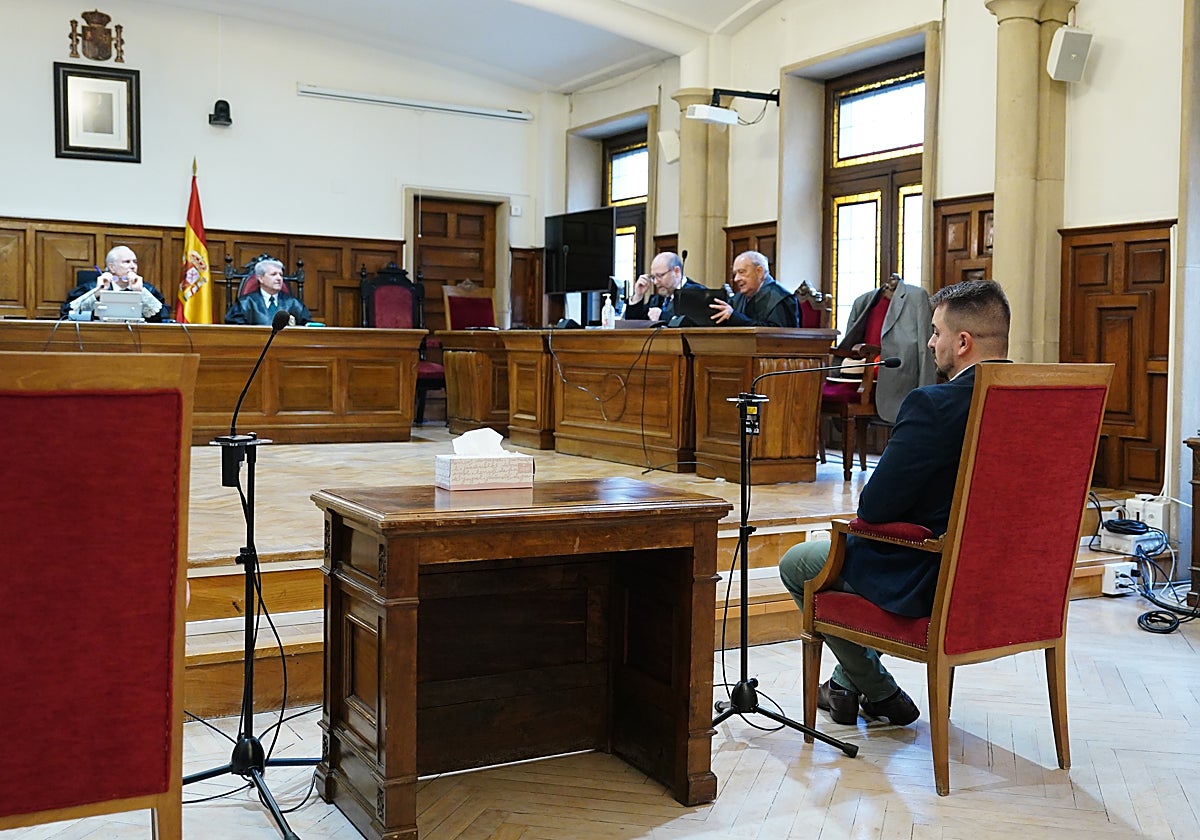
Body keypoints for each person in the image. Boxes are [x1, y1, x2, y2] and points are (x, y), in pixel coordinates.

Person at [779, 279, 1011, 727]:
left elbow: (876, 507)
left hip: (931, 570)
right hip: (1012, 574)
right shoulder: (1041, 398)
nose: (930, 342)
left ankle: (878, 690)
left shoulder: (933, 404)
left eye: (936, 332)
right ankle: (846, 687)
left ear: (962, 343)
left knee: (798, 563)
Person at [829, 273, 937, 424]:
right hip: (860, 370)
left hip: (897, 371)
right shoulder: (864, 300)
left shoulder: (916, 297)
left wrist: (927, 391)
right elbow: (851, 343)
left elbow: (925, 348)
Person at [61, 245, 168, 322]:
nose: (133, 266)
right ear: (112, 267)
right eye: (126, 262)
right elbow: (68, 314)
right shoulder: (92, 287)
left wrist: (141, 292)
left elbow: (162, 317)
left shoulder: (147, 289)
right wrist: (97, 293)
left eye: (135, 262)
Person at [710, 251, 799, 327]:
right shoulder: (738, 299)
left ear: (759, 271)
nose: (736, 279)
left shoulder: (781, 298)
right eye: (735, 274)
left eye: (742, 272)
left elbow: (776, 336)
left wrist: (736, 318)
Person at [224, 258, 311, 326]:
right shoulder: (245, 303)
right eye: (273, 274)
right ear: (261, 278)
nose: (279, 278)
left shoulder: (294, 303)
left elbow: (308, 325)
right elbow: (235, 328)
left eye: (281, 275)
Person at [623, 251, 704, 322]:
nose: (655, 282)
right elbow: (634, 323)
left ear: (676, 271)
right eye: (653, 277)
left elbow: (694, 324)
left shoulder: (697, 293)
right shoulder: (656, 300)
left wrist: (662, 316)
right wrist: (638, 295)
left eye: (660, 276)